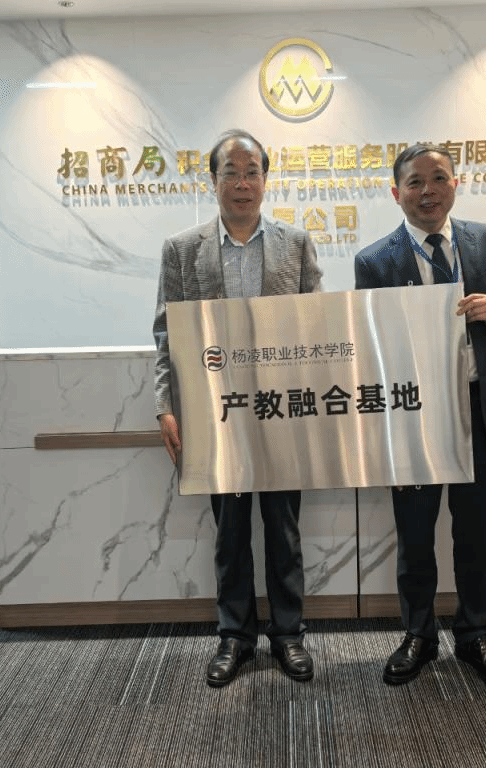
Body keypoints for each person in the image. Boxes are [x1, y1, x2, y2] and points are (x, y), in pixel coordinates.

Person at [354, 143, 486, 690]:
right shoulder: (374, 261)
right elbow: (369, 344)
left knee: (475, 534)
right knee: (414, 537)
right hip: (414, 415)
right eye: (415, 182)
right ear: (396, 193)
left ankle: (476, 635)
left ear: (455, 184)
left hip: (479, 410)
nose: (427, 191)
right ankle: (418, 635)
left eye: (438, 179)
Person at [152, 129, 323, 688]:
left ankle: (289, 634)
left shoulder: (296, 244)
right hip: (214, 412)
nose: (243, 183)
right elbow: (166, 333)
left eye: (252, 172)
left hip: (282, 410)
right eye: (232, 172)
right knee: (229, 532)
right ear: (214, 180)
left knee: (284, 529)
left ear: (265, 180)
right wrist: (165, 404)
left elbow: (316, 330)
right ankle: (235, 637)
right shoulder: (182, 250)